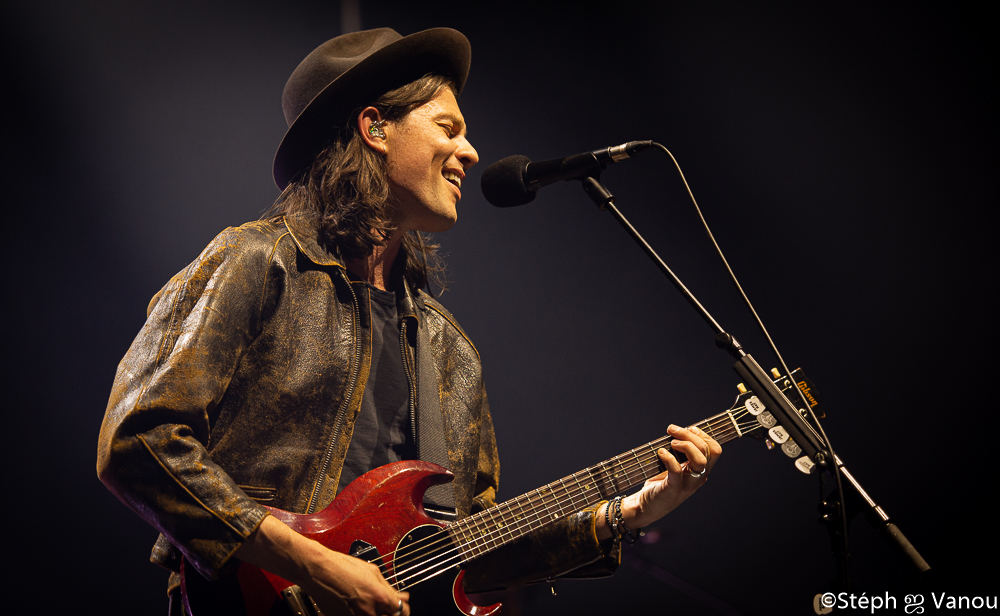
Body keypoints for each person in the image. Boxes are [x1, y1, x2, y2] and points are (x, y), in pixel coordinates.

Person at [97, 27, 722, 616]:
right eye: (448, 128)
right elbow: (138, 442)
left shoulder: (449, 350)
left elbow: (470, 550)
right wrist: (314, 564)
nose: (470, 152)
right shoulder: (259, 262)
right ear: (375, 128)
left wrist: (622, 515)